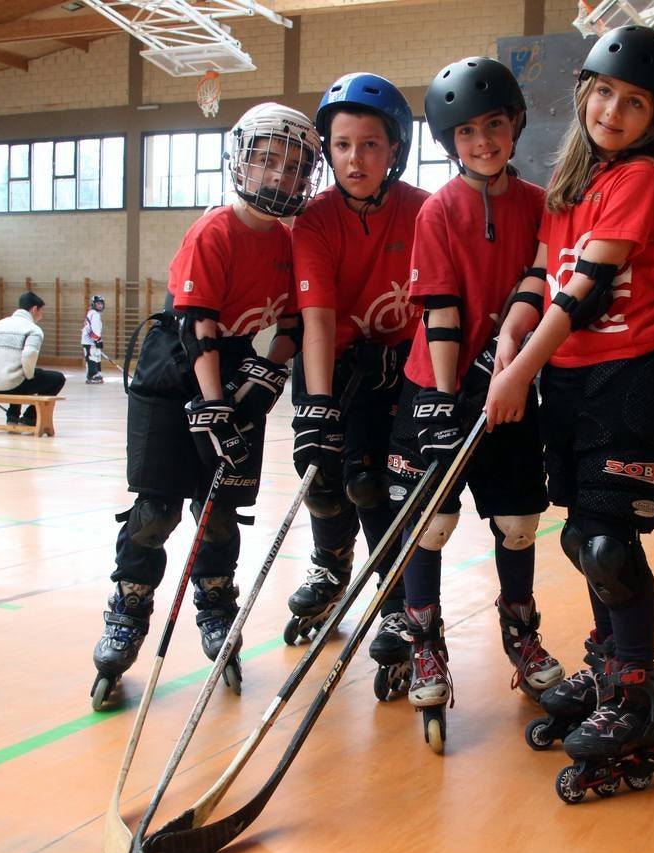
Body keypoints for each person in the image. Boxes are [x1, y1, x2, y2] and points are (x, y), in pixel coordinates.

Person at [485, 25, 654, 793]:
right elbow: (543, 276)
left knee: (609, 546)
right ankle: (607, 668)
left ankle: (636, 702)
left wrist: (518, 373)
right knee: (581, 538)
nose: (613, 110)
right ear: (583, 93)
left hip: (629, 377)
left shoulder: (640, 178)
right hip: (570, 382)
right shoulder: (571, 186)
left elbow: (585, 292)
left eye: (634, 102)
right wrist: (511, 328)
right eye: (604, 92)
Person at [87, 102, 322, 710]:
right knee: (157, 511)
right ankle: (128, 611)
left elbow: (294, 320)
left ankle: (216, 608)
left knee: (219, 511)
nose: (279, 175)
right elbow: (197, 327)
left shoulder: (291, 241)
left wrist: (271, 369)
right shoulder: (214, 230)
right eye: (267, 160)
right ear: (242, 162)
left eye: (294, 166)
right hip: (176, 370)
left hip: (233, 365)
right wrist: (215, 406)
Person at [386, 55, 562, 744]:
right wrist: (441, 398)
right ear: (448, 141)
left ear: (515, 124)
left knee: (517, 522)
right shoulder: (438, 210)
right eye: (466, 132)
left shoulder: (540, 203)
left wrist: (507, 367)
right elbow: (441, 310)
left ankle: (521, 633)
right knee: (429, 522)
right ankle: (425, 641)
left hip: (508, 380)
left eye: (493, 125)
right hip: (437, 380)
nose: (482, 141)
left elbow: (539, 286)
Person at [284, 73, 428, 698]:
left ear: (394, 149)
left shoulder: (422, 209)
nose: (355, 159)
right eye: (342, 145)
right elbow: (316, 319)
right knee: (320, 474)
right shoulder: (314, 219)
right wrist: (316, 405)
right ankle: (330, 565)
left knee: (373, 484)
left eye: (370, 144)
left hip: (397, 364)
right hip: (333, 359)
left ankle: (395, 599)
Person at [0, 291, 67, 426]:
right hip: (13, 385)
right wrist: (28, 375)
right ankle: (30, 416)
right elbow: (29, 353)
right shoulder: (33, 329)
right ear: (34, 309)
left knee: (16, 370)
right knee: (56, 378)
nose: (42, 315)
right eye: (42, 310)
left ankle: (12, 416)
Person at [82, 294, 106, 384]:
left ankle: (97, 373)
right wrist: (97, 339)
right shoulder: (94, 314)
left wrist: (98, 340)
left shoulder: (94, 314)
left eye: (101, 304)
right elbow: (91, 330)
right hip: (89, 341)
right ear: (93, 304)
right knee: (91, 357)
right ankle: (91, 375)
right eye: (98, 304)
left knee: (97, 356)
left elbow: (96, 330)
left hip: (93, 340)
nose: (100, 305)